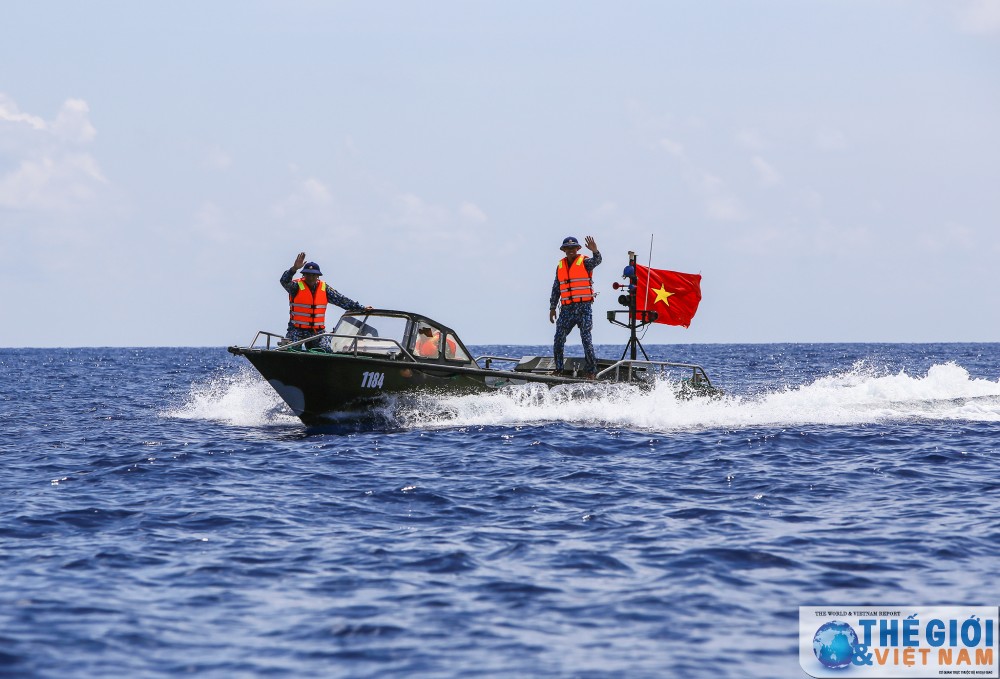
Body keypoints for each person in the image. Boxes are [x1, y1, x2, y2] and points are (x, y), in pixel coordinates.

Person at [280, 252, 369, 350]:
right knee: (291, 348)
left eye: (314, 275)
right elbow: (284, 281)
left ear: (318, 276)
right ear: (304, 275)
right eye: (308, 275)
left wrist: (362, 308)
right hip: (297, 330)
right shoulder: (296, 287)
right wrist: (294, 269)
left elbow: (342, 300)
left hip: (317, 332)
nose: (311, 277)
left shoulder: (324, 289)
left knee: (326, 349)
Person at [549, 235, 601, 377]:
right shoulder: (560, 266)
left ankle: (591, 370)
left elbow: (597, 261)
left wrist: (595, 251)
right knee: (558, 338)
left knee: (586, 338)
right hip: (566, 309)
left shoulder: (585, 263)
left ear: (578, 248)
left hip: (584, 307)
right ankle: (558, 369)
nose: (570, 250)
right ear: (564, 250)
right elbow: (556, 288)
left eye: (573, 247)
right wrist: (552, 308)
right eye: (567, 248)